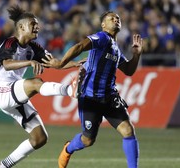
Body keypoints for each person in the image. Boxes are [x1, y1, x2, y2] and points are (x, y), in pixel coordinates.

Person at [42, 11, 143, 168]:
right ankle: (68, 148)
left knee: (128, 130)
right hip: (90, 98)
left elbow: (129, 70)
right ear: (103, 25)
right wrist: (61, 63)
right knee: (88, 140)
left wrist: (136, 55)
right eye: (111, 18)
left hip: (110, 98)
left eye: (118, 18)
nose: (116, 19)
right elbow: (80, 46)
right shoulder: (102, 37)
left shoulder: (116, 48)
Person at [0, 5, 81, 168]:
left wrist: (74, 64)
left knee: (39, 138)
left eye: (37, 24)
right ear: (22, 26)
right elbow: (7, 64)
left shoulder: (35, 48)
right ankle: (69, 90)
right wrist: (30, 62)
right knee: (36, 83)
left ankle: (2, 166)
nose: (37, 27)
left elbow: (55, 63)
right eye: (33, 24)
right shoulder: (10, 43)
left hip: (16, 94)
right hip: (1, 90)